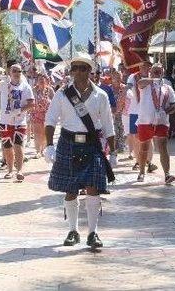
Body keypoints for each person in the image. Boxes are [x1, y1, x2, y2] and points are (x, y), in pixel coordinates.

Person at [45, 54, 115, 249]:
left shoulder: (100, 95)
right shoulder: (62, 94)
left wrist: (114, 152)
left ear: (89, 71)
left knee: (93, 188)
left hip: (92, 144)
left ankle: (93, 233)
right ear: (71, 71)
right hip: (68, 142)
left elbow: (109, 126)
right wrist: (49, 146)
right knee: (70, 189)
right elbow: (50, 120)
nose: (78, 72)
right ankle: (72, 231)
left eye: (83, 68)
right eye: (75, 68)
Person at [0, 64, 35, 181]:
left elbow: (31, 104)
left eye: (19, 71)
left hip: (20, 122)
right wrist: (2, 77)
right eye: (14, 71)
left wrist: (20, 110)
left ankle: (19, 171)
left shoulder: (25, 87)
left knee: (18, 146)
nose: (17, 73)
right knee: (8, 147)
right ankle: (10, 170)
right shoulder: (4, 84)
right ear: (10, 72)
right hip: (4, 121)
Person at [135, 63, 175, 184]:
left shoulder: (167, 87)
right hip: (145, 120)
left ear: (163, 73)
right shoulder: (146, 84)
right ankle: (141, 172)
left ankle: (167, 174)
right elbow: (140, 83)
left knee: (163, 147)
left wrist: (165, 111)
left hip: (161, 121)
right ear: (150, 72)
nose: (157, 73)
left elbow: (174, 104)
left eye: (159, 71)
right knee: (144, 147)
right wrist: (153, 79)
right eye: (155, 71)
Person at [127, 60, 158, 173]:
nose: (143, 68)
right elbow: (129, 86)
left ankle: (149, 162)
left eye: (145, 66)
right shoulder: (133, 77)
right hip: (135, 110)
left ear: (150, 67)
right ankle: (139, 161)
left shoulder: (155, 77)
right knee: (136, 137)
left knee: (148, 138)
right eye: (141, 65)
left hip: (148, 111)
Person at [30, 73, 54, 159]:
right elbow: (30, 101)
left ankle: (43, 149)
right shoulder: (33, 90)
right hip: (36, 114)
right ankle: (38, 151)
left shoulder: (50, 90)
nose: (41, 81)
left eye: (43, 80)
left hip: (47, 115)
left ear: (47, 81)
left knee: (44, 134)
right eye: (40, 79)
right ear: (37, 81)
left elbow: (54, 102)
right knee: (37, 133)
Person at [109, 69, 126, 167]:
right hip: (112, 115)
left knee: (122, 134)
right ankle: (113, 154)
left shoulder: (124, 88)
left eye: (119, 77)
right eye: (115, 77)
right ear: (112, 78)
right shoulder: (109, 89)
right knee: (114, 133)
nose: (118, 79)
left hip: (123, 114)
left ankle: (119, 150)